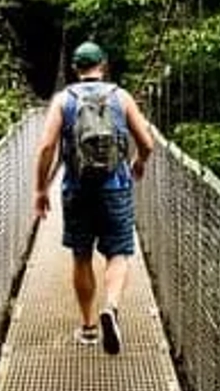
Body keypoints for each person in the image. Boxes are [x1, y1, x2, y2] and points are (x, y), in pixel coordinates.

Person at [33, 41, 153, 354]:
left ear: (75, 68)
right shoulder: (121, 97)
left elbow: (47, 147)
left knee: (81, 255)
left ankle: (88, 328)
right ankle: (110, 308)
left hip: (77, 189)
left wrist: (40, 189)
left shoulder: (63, 99)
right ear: (104, 64)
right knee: (119, 253)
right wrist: (138, 163)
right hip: (116, 188)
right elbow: (148, 143)